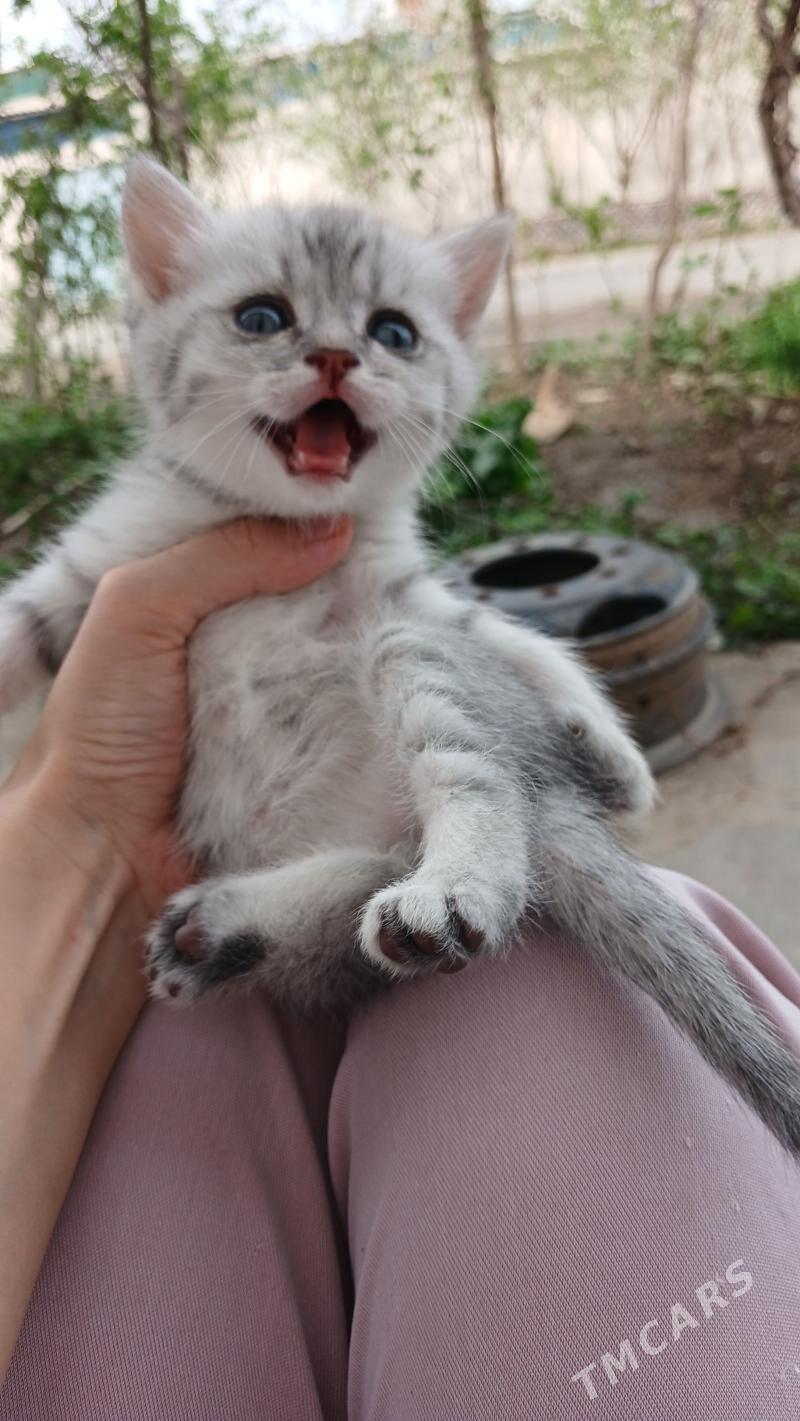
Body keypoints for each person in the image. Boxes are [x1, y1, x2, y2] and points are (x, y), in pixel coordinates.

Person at [0, 515, 798, 1421]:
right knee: (527, 971)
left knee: (405, 655)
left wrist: (84, 833)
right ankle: (386, 887)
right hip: (310, 853)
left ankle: (473, 844)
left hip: (339, 815)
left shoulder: (353, 525)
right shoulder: (162, 515)